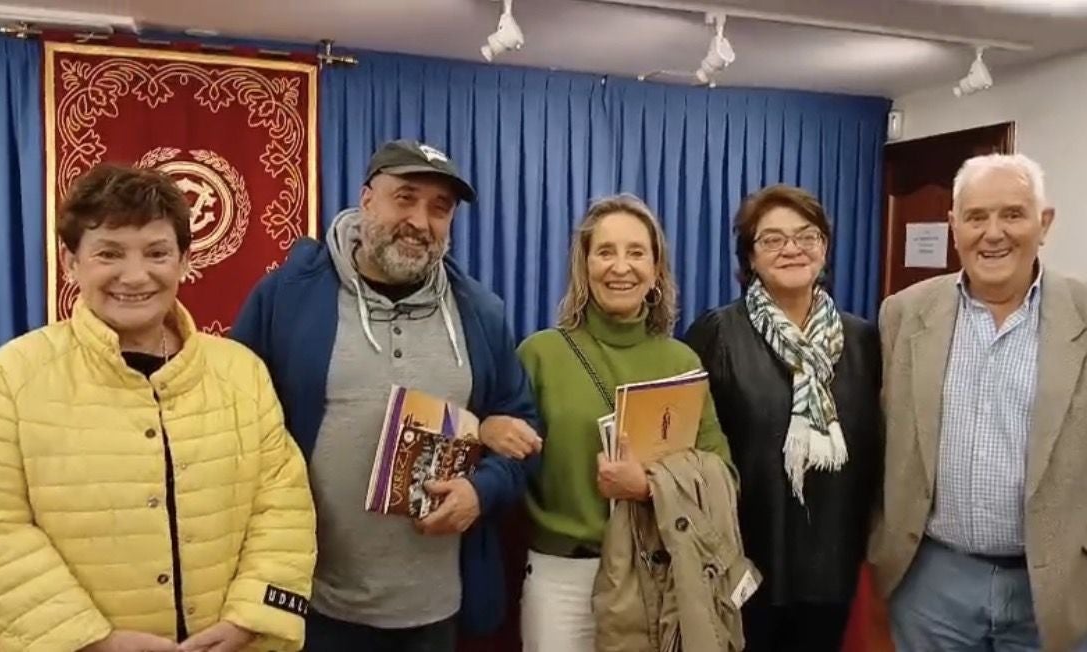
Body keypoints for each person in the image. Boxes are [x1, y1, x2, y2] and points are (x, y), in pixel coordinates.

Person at [0, 163, 316, 652]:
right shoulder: (12, 376)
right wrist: (94, 641)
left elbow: (283, 509)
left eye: (157, 253)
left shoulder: (241, 372)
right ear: (71, 262)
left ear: (184, 261)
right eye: (109, 253)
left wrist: (249, 619)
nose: (135, 276)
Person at [231, 139, 541, 652]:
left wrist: (481, 491)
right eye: (406, 198)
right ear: (367, 199)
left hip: (436, 610)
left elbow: (520, 430)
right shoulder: (287, 295)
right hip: (311, 599)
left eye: (439, 209)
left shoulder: (481, 313)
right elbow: (237, 420)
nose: (420, 221)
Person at [869, 153, 1087, 651]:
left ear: (1043, 223)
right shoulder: (903, 314)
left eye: (1012, 214)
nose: (993, 233)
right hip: (932, 588)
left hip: (1067, 592)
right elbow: (885, 443)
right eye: (976, 216)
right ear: (954, 226)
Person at [515, 194, 733, 652]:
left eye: (636, 252)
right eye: (605, 252)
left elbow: (724, 477)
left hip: (659, 570)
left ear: (656, 270)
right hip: (563, 577)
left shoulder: (682, 361)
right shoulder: (539, 355)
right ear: (584, 265)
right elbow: (506, 464)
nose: (621, 267)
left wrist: (649, 486)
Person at [685, 184, 882, 652]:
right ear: (749, 257)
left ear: (825, 247)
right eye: (772, 239)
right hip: (745, 560)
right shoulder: (717, 333)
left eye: (806, 236)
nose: (792, 248)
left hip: (833, 562)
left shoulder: (863, 339)